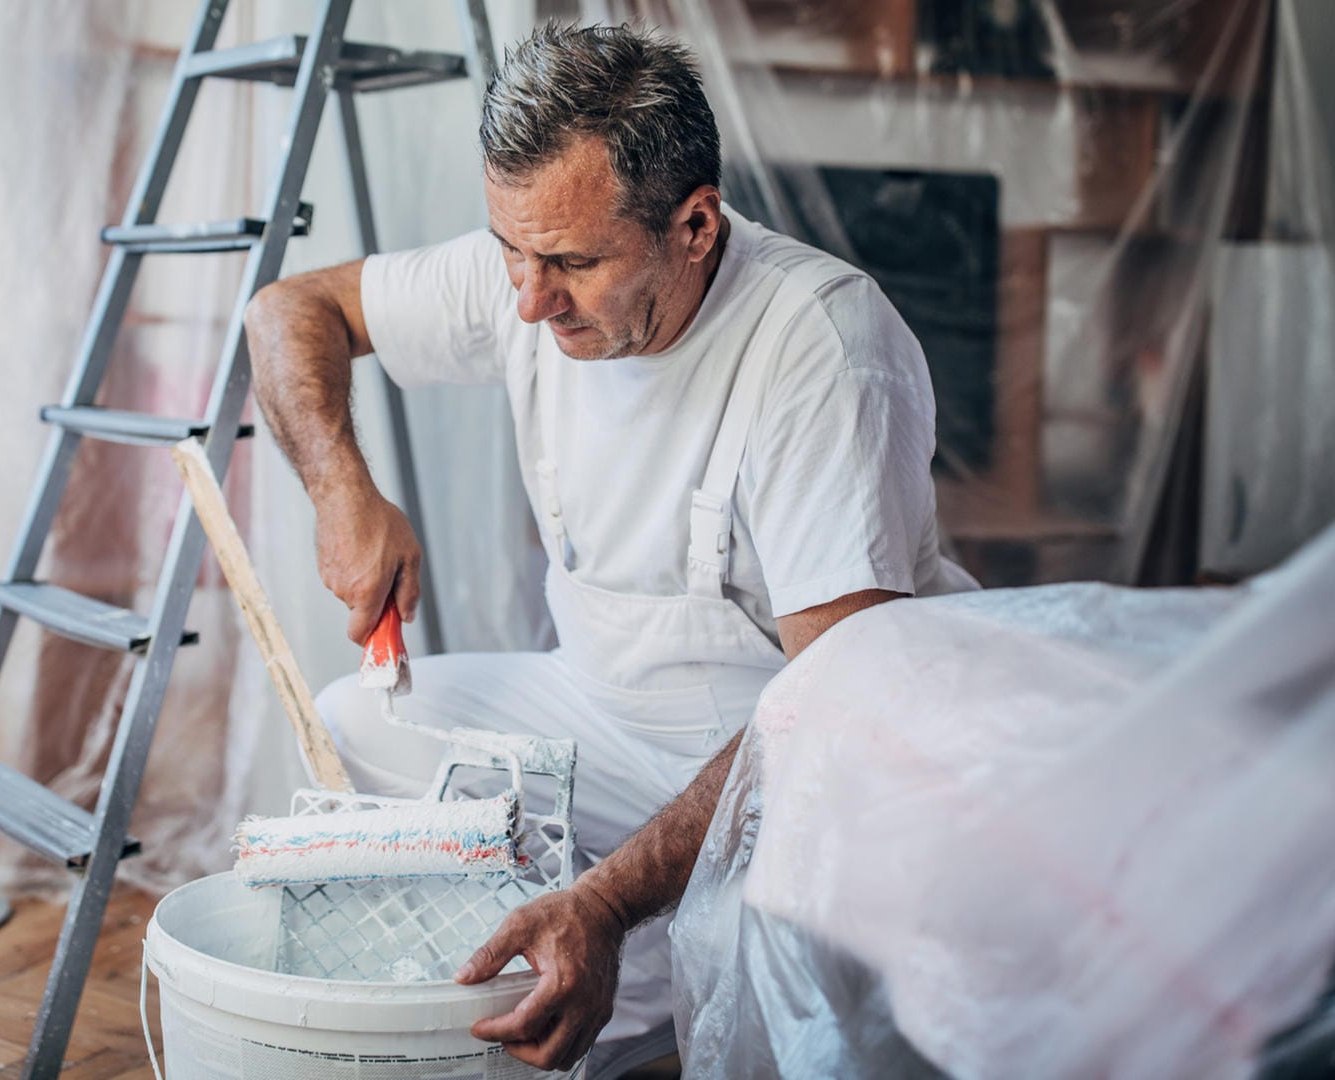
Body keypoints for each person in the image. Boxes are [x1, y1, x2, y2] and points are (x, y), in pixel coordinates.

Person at [245, 21, 977, 1073]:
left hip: (808, 765)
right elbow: (289, 310)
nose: (531, 302)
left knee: (794, 1014)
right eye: (511, 254)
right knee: (356, 721)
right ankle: (595, 988)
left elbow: (834, 709)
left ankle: (625, 977)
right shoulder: (532, 264)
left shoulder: (819, 347)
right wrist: (340, 489)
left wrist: (607, 894)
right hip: (605, 710)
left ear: (694, 225)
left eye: (573, 265)